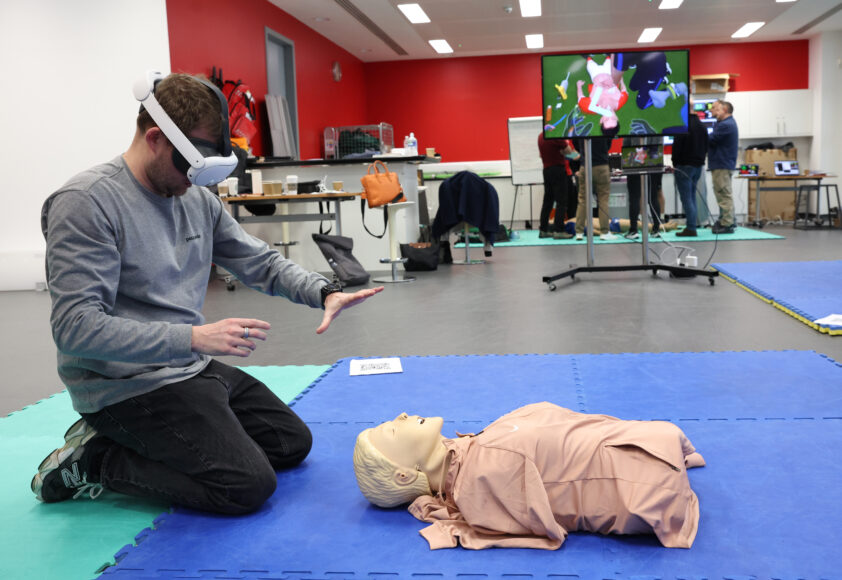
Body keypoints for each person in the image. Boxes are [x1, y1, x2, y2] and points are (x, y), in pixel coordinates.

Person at [33, 72, 384, 515]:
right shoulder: (86, 203)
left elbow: (259, 261)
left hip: (186, 365)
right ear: (156, 138)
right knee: (245, 486)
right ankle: (97, 459)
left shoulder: (194, 198)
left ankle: (154, 437)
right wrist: (193, 338)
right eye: (189, 165)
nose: (194, 180)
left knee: (290, 444)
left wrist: (323, 291)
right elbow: (75, 328)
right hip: (122, 385)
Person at [353, 402, 705, 550]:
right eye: (393, 431)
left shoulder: (474, 453)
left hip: (652, 455)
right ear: (404, 476)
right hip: (655, 481)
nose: (400, 415)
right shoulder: (480, 474)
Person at [672, 108, 709, 237]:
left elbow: (677, 147)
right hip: (698, 166)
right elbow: (706, 146)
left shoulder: (682, 125)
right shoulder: (703, 126)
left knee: (687, 198)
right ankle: (692, 225)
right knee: (692, 197)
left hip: (683, 166)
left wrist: (674, 163)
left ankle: (691, 228)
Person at [573, 137, 618, 240]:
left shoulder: (582, 128)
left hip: (585, 165)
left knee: (582, 199)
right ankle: (604, 232)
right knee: (603, 199)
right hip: (602, 165)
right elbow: (608, 144)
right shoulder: (603, 128)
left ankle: (579, 232)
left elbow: (575, 144)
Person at [537, 133, 579, 239]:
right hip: (558, 170)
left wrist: (564, 152)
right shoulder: (555, 136)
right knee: (562, 201)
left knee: (548, 201)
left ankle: (543, 229)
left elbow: (540, 155)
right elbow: (570, 152)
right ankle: (559, 230)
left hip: (546, 170)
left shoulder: (541, 136)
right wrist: (572, 154)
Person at [623, 137, 664, 239]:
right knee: (653, 197)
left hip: (634, 164)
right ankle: (656, 229)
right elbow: (659, 146)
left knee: (634, 197)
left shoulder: (631, 127)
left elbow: (626, 145)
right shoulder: (656, 128)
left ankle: (634, 230)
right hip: (653, 163)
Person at [708, 99, 739, 234]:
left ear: (724, 110)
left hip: (722, 164)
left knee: (723, 194)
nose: (711, 110)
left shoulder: (725, 125)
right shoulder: (724, 124)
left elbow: (710, 139)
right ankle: (727, 220)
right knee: (723, 193)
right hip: (722, 163)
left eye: (714, 108)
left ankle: (727, 224)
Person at [576, 55, 628, 132]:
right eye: (613, 118)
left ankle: (588, 57)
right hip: (609, 72)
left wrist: (579, 86)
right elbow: (624, 90)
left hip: (595, 74)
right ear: (617, 118)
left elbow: (580, 98)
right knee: (610, 59)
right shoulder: (621, 101)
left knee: (590, 62)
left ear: (601, 120)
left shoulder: (591, 107)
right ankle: (608, 56)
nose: (609, 114)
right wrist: (621, 80)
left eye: (606, 119)